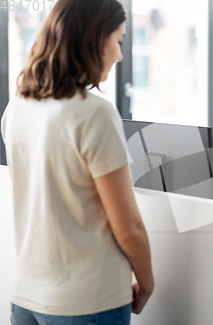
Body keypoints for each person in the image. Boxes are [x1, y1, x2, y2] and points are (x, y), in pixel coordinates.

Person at [1, 0, 154, 323]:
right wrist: (148, 283)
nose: (120, 54)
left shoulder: (16, 108)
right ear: (97, 39)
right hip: (87, 302)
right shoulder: (95, 114)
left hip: (27, 298)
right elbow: (129, 227)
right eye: (119, 40)